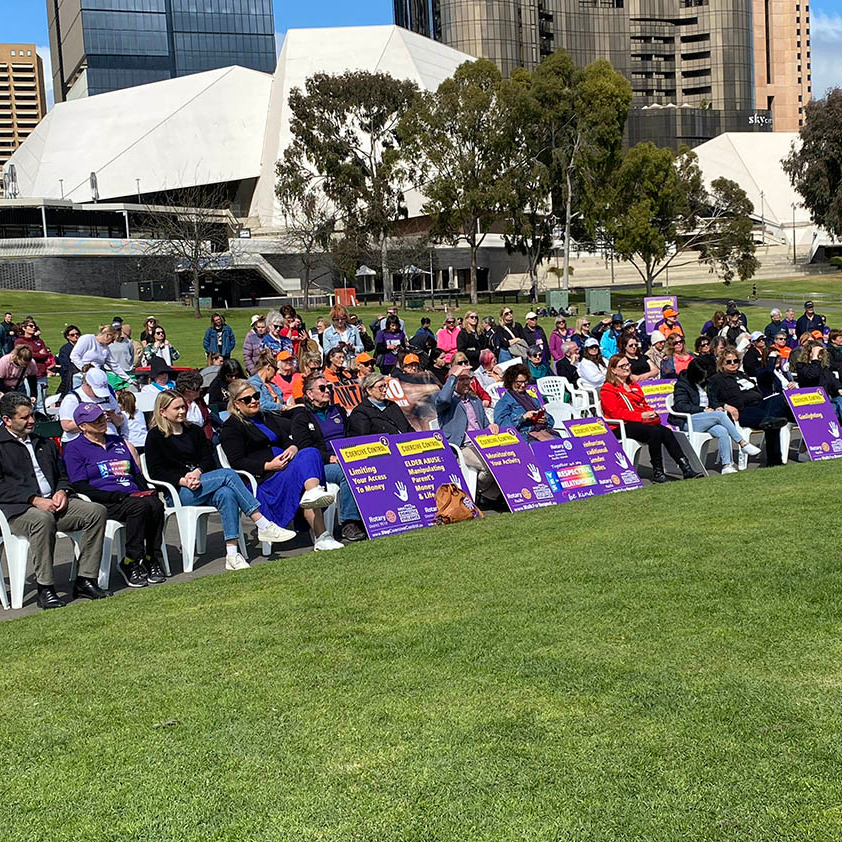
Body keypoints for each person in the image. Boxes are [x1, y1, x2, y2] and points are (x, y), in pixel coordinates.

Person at [146, 390, 299, 570]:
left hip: (202, 482)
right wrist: (183, 480)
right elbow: (156, 471)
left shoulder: (194, 430)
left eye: (183, 407)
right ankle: (262, 523)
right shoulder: (155, 436)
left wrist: (198, 471)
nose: (182, 411)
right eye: (176, 408)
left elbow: (208, 458)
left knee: (227, 494)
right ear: (163, 412)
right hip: (179, 491)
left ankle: (232, 555)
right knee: (228, 474)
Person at [0, 392, 109, 609]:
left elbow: (63, 475)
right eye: (24, 418)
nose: (32, 421)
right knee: (42, 519)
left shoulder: (44, 442)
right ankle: (45, 587)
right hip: (19, 510)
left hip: (54, 503)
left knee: (96, 511)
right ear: (7, 420)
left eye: (32, 415)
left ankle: (85, 579)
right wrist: (33, 499)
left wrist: (62, 491)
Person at [220, 380, 344, 551]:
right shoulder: (231, 426)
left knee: (310, 453)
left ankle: (320, 525)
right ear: (236, 404)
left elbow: (288, 440)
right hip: (265, 478)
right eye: (247, 399)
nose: (254, 401)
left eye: (256, 396)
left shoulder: (267, 417)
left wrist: (292, 448)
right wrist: (268, 466)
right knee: (309, 459)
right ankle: (321, 535)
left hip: (286, 469)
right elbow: (237, 462)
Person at [63, 402, 167, 588]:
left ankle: (151, 557)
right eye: (94, 420)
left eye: (102, 417)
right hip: (105, 499)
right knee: (139, 507)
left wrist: (146, 491)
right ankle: (130, 561)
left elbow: (135, 473)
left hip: (132, 494)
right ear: (82, 427)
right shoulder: (74, 448)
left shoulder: (117, 441)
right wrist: (114, 496)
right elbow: (79, 485)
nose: (101, 422)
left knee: (156, 504)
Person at [599, 355, 701, 482]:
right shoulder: (608, 388)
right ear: (613, 370)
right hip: (620, 425)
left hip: (639, 422)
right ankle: (658, 471)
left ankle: (686, 468)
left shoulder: (634, 385)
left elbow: (644, 404)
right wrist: (640, 416)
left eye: (627, 365)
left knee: (666, 432)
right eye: (622, 366)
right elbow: (614, 413)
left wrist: (651, 414)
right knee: (654, 432)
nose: (626, 368)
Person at [290, 374, 366, 542]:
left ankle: (374, 516)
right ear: (310, 394)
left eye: (329, 388)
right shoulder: (301, 418)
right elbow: (305, 449)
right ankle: (349, 523)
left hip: (346, 456)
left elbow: (350, 434)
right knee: (347, 473)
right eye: (322, 388)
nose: (327, 391)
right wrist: (329, 457)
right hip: (320, 465)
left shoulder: (338, 410)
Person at [670, 359, 760, 474]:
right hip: (689, 420)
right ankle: (742, 443)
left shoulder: (703, 384)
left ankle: (727, 465)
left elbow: (711, 400)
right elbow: (680, 406)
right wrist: (703, 410)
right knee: (719, 415)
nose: (704, 379)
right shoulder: (682, 385)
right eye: (701, 377)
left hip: (705, 418)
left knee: (722, 430)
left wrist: (720, 406)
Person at [707, 348, 791, 467]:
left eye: (735, 361)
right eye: (729, 362)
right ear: (722, 363)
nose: (733, 364)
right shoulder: (716, 380)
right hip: (743, 411)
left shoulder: (743, 375)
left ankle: (774, 458)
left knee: (776, 402)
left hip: (760, 405)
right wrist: (726, 406)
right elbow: (712, 401)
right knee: (773, 418)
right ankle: (774, 460)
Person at [435, 363, 500, 500]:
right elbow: (442, 398)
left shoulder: (475, 401)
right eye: (461, 379)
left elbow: (484, 423)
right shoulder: (448, 403)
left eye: (468, 379)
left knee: (501, 461)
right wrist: (453, 376)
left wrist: (490, 426)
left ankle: (492, 495)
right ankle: (484, 493)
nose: (466, 382)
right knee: (487, 466)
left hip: (481, 443)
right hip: (462, 446)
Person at [60, 366, 124, 444]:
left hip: (110, 439)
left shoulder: (108, 397)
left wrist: (113, 416)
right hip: (84, 442)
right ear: (87, 385)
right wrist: (92, 420)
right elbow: (66, 426)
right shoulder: (73, 398)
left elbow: (120, 421)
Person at [493, 363, 556, 439]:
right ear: (511, 382)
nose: (523, 385)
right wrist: (522, 418)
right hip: (524, 436)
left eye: (525, 382)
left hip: (543, 432)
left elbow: (551, 421)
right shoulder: (504, 401)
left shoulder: (533, 400)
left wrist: (544, 419)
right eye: (519, 382)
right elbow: (502, 425)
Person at [348, 372, 413, 436]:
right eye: (380, 387)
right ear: (369, 390)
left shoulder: (392, 405)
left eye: (385, 386)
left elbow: (408, 427)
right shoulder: (360, 412)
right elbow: (363, 439)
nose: (384, 390)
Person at [68, 323, 132, 388]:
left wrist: (129, 380)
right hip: (81, 377)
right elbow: (74, 356)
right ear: (107, 335)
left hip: (96, 378)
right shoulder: (87, 339)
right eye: (112, 339)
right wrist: (86, 370)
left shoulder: (106, 349)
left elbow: (114, 366)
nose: (112, 342)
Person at [794, 340, 842, 420]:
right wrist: (814, 358)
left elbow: (833, 380)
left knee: (839, 401)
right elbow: (812, 375)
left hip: (826, 400)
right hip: (812, 403)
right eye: (818, 353)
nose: (820, 356)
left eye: (821, 353)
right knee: (832, 410)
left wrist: (839, 388)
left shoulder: (823, 368)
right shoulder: (802, 366)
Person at [14, 319, 52, 413]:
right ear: (24, 328)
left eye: (34, 326)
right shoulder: (19, 341)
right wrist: (37, 354)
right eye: (31, 326)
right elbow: (24, 355)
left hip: (41, 373)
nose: (33, 327)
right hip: (27, 376)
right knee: (27, 401)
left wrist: (35, 354)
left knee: (41, 403)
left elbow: (46, 354)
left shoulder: (39, 341)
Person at [176, 369, 217, 442]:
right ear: (187, 391)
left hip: (206, 440)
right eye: (198, 389)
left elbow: (208, 418)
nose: (201, 390)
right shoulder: (175, 404)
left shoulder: (199, 401)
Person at [56, 324, 81, 396]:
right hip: (71, 377)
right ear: (67, 337)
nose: (75, 336)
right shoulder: (65, 349)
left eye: (77, 334)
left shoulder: (83, 347)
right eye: (72, 335)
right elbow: (65, 367)